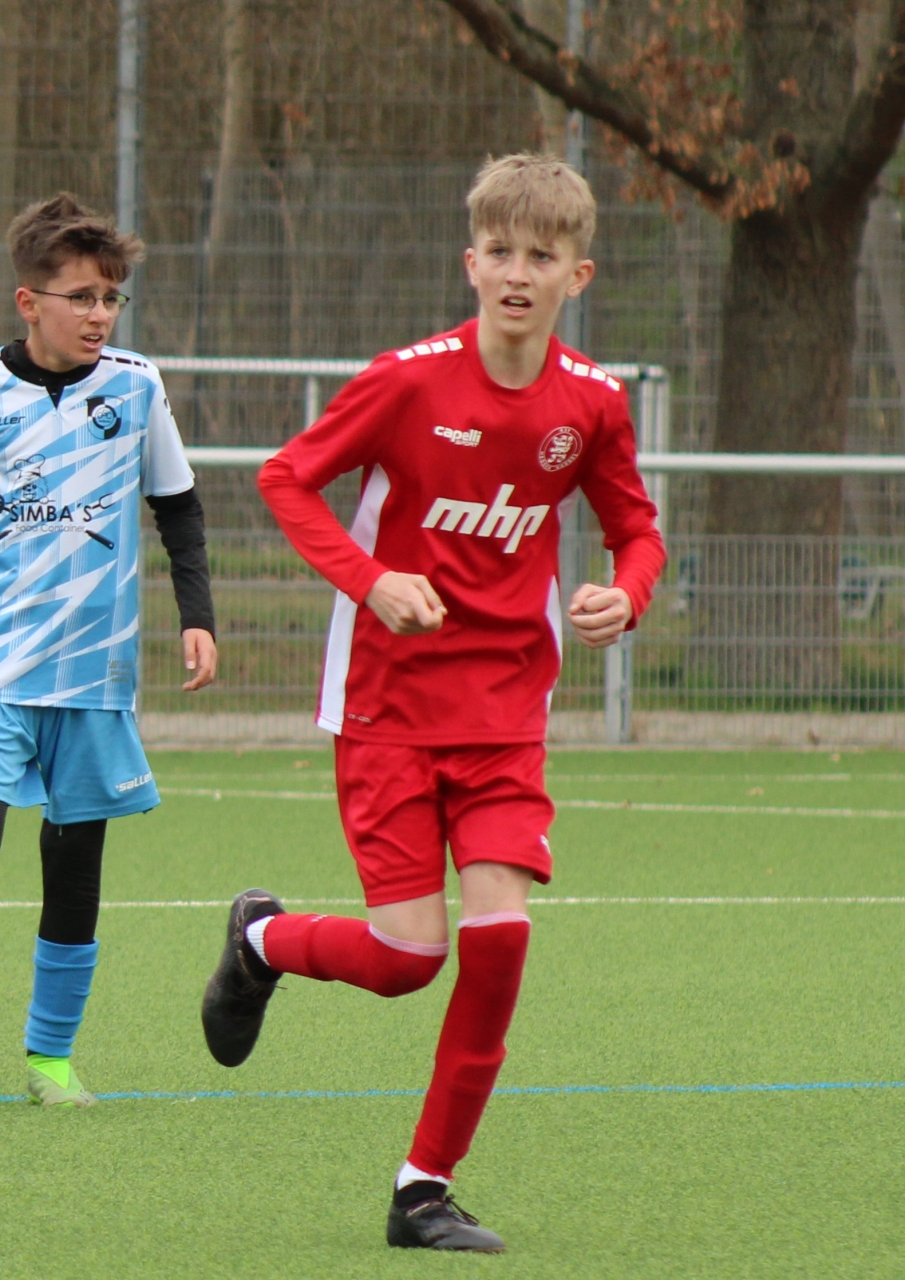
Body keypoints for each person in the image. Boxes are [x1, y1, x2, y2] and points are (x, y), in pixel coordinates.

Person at [199, 154, 666, 1251]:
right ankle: (262, 940)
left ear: (577, 275)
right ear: (471, 263)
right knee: (409, 957)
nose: (517, 272)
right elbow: (285, 478)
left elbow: (636, 530)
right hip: (388, 711)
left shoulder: (593, 402)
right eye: (499, 251)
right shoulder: (408, 382)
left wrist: (626, 592)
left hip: (505, 716)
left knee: (499, 939)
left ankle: (423, 1190)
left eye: (540, 256)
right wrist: (372, 581)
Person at [0, 194, 218, 1112]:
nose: (99, 315)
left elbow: (178, 506)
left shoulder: (137, 385)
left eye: (111, 298)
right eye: (81, 297)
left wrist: (196, 615)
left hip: (93, 669)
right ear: (28, 302)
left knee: (73, 862)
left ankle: (50, 1061)